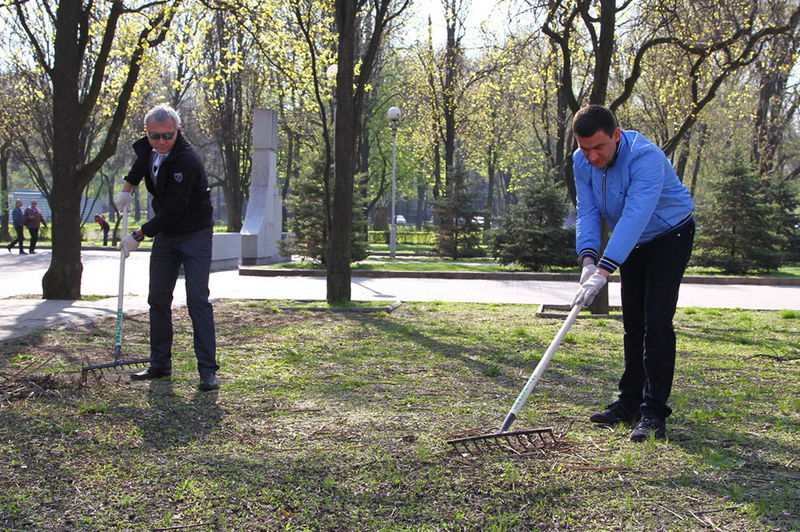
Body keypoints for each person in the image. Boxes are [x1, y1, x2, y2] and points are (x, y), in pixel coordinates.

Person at [571, 104, 695, 442]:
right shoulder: (581, 160)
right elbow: (588, 210)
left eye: (599, 147)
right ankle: (628, 402)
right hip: (634, 242)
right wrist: (587, 260)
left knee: (656, 322)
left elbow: (636, 215)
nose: (593, 156)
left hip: (670, 234)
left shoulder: (646, 158)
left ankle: (653, 413)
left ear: (617, 135)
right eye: (585, 148)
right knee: (633, 324)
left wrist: (606, 268)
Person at [115, 105, 219, 391]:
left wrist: (139, 234)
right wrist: (127, 188)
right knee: (158, 299)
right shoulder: (150, 149)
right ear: (147, 133)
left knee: (197, 299)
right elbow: (141, 162)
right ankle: (160, 364)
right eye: (154, 136)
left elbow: (174, 210)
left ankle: (208, 371)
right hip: (167, 235)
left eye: (167, 136)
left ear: (178, 131)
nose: (161, 142)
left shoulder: (186, 161)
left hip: (194, 233)